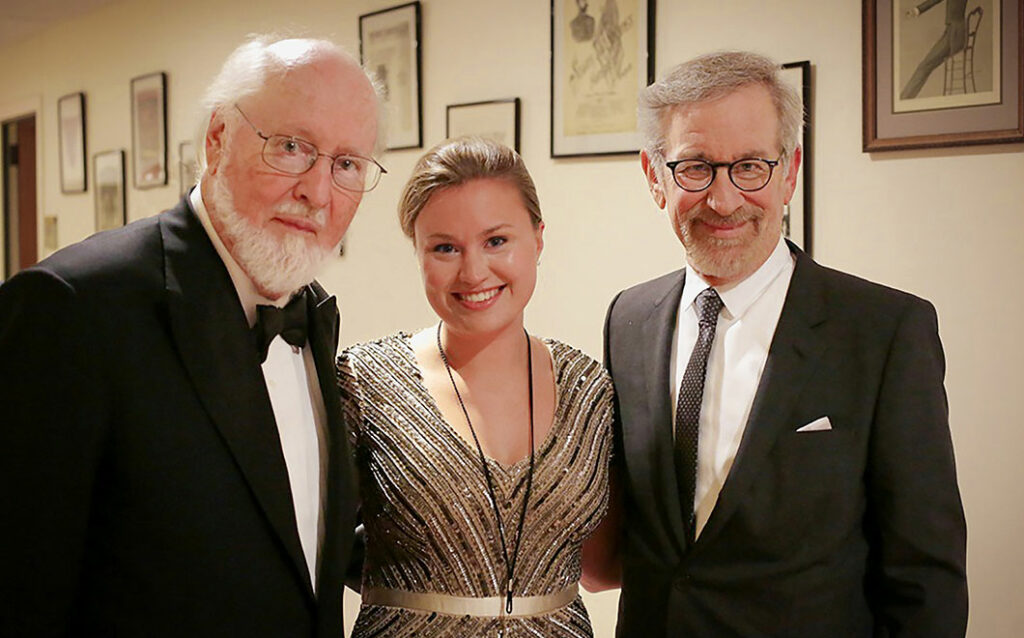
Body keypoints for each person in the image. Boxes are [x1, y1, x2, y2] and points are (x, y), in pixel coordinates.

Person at [0, 36, 383, 636]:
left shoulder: (311, 315)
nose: (319, 192)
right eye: (291, 147)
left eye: (347, 164)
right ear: (217, 139)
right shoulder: (75, 307)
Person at [602, 51, 968, 636]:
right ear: (653, 175)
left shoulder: (885, 332)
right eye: (695, 168)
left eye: (751, 167)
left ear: (791, 171)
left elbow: (925, 579)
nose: (723, 201)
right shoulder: (629, 319)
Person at [337, 137, 616, 637]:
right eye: (445, 248)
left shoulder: (590, 388)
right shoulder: (365, 380)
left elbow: (602, 565)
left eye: (496, 241)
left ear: (538, 238)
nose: (473, 272)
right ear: (418, 255)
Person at [900, 0, 970, 99]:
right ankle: (905, 97)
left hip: (954, 35)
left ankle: (904, 98)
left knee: (925, 66)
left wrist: (916, 10)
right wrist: (917, 10)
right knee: (925, 66)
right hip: (955, 32)